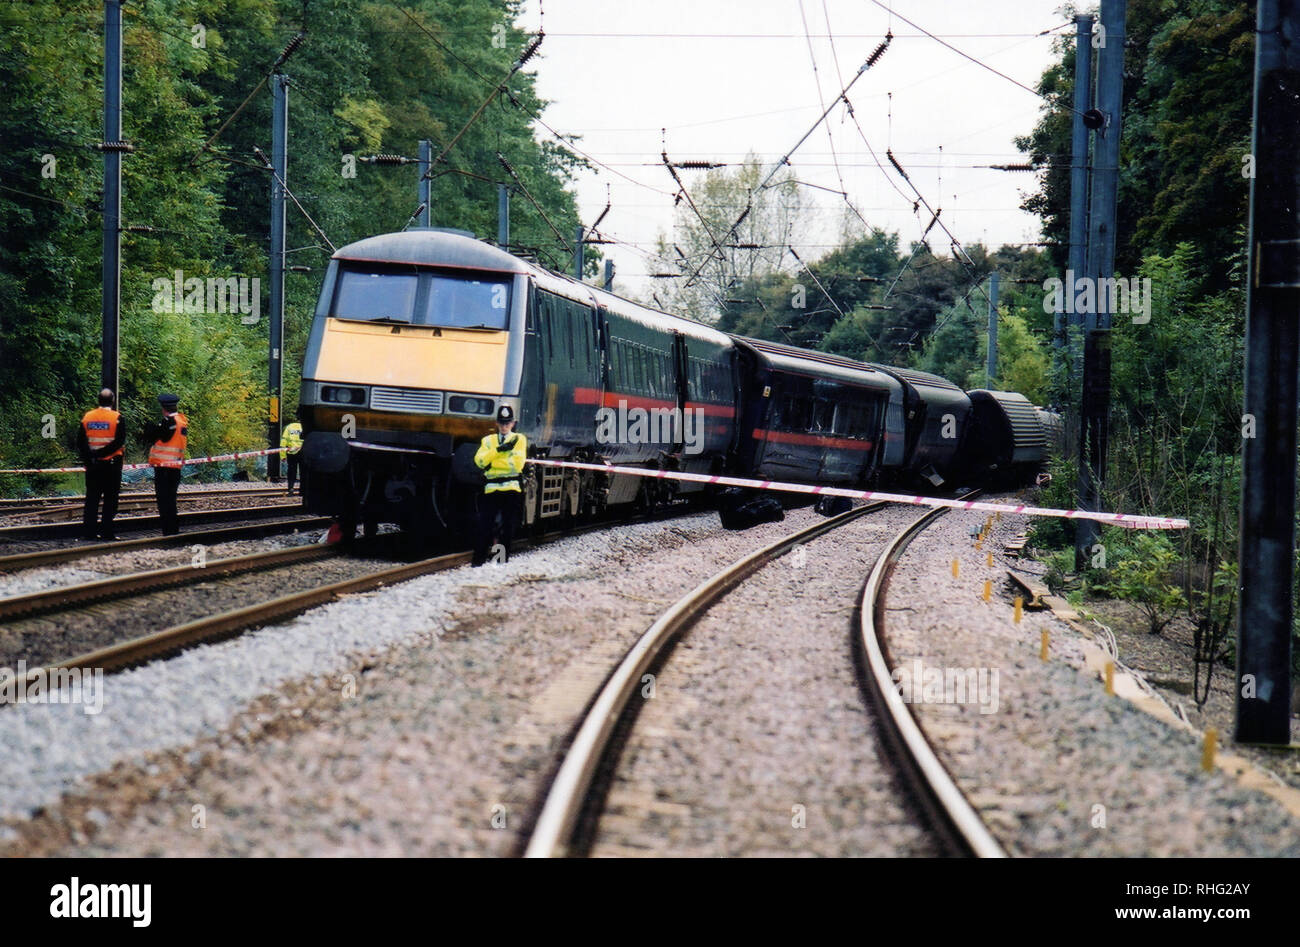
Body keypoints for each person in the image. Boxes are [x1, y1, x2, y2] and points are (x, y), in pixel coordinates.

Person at [472, 405, 527, 566]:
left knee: (506, 527)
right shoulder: (488, 440)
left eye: (508, 423)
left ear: (513, 423)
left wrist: (493, 460)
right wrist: (501, 450)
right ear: (497, 423)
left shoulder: (519, 439)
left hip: (511, 488)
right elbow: (480, 461)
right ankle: (478, 562)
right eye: (502, 423)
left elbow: (517, 465)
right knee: (485, 525)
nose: (504, 426)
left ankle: (500, 560)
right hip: (492, 488)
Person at [76, 388, 125, 541]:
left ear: (98, 401)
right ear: (113, 401)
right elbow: (119, 442)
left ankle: (89, 533)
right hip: (111, 465)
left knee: (92, 499)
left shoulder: (87, 417)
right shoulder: (117, 418)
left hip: (93, 465)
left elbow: (80, 441)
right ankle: (107, 532)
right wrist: (103, 454)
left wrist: (90, 458)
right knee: (110, 499)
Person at [145, 392, 188, 535]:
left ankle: (168, 532)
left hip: (163, 467)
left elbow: (155, 436)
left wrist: (150, 427)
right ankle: (173, 531)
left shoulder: (168, 422)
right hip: (175, 467)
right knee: (171, 500)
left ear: (164, 408)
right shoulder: (181, 421)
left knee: (164, 502)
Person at [280, 420, 304, 495]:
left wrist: (282, 455)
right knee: (303, 472)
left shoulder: (289, 427)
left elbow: (283, 441)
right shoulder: (304, 426)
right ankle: (302, 490)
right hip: (303, 452)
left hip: (291, 452)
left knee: (291, 471)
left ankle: (290, 488)